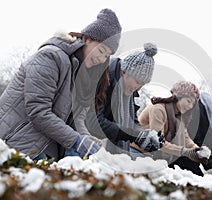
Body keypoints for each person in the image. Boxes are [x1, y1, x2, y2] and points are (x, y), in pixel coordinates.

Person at [0, 8, 122, 161]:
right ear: (87, 39)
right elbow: (38, 111)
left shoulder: (83, 75)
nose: (102, 59)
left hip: (45, 149)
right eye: (101, 50)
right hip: (15, 144)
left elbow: (77, 119)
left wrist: (88, 141)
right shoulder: (51, 57)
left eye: (107, 56)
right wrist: (77, 141)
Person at [87, 43, 164, 155]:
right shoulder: (103, 78)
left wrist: (147, 137)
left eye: (142, 84)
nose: (138, 88)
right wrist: (133, 135)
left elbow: (132, 120)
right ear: (124, 72)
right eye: (137, 81)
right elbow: (94, 121)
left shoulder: (128, 88)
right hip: (81, 141)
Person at [134, 81, 209, 165]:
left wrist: (199, 151)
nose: (190, 106)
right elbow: (157, 142)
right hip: (137, 152)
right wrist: (186, 152)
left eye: (193, 104)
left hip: (153, 157)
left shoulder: (178, 116)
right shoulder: (158, 109)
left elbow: (186, 139)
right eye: (188, 101)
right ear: (178, 96)